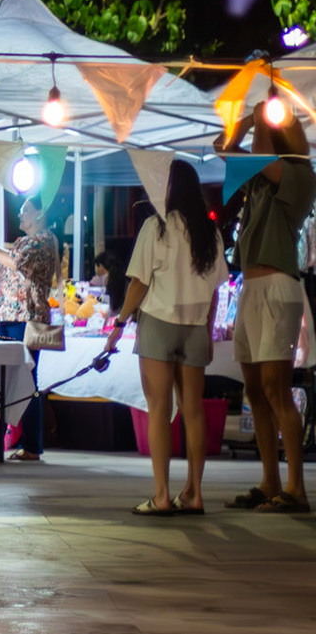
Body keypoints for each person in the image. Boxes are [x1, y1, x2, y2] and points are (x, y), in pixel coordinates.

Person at [102, 159, 227, 516]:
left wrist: (119, 324)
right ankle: (195, 493)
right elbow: (217, 288)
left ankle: (161, 496)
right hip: (195, 327)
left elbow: (139, 283)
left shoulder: (155, 227)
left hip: (158, 323)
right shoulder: (210, 233)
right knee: (194, 412)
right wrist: (207, 327)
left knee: (158, 410)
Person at [219, 103, 313, 513]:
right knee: (254, 389)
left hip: (278, 286)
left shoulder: (299, 175)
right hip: (252, 289)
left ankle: (296, 489)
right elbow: (222, 146)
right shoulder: (258, 180)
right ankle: (270, 481)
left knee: (277, 388)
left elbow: (258, 156)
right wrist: (242, 121)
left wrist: (264, 119)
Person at [0, 197, 59, 462]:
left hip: (27, 320)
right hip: (8, 318)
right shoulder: (21, 244)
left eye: (26, 210)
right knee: (3, 381)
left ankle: (32, 445)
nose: (20, 215)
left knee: (26, 379)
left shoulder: (43, 242)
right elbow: (0, 276)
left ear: (40, 213)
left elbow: (15, 263)